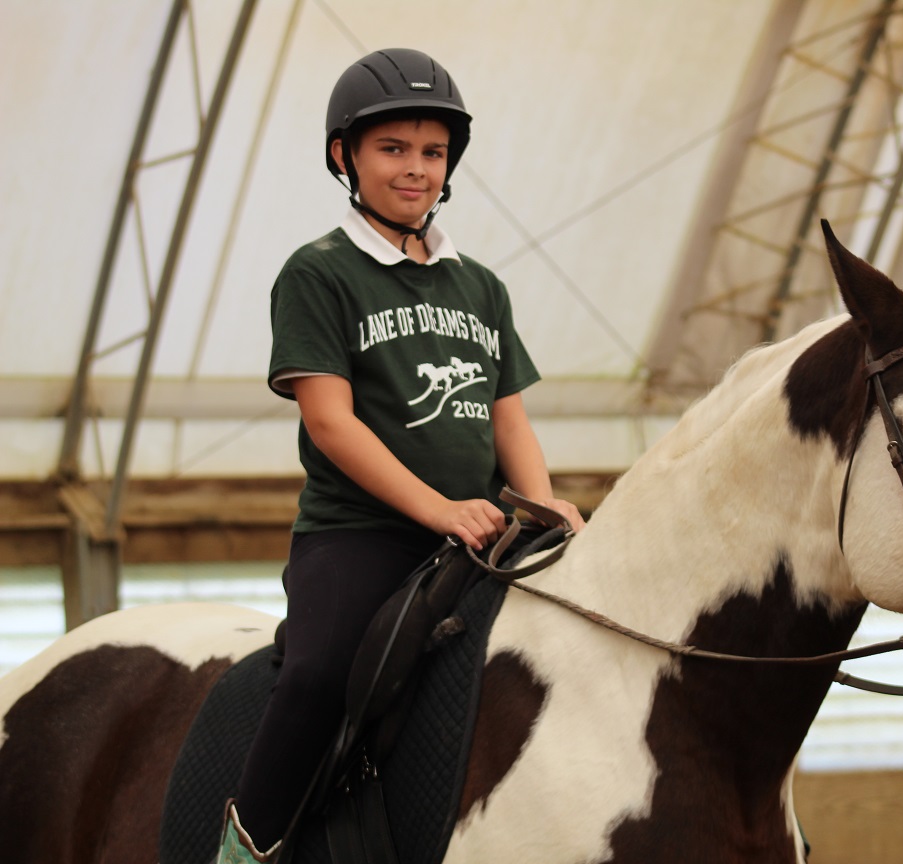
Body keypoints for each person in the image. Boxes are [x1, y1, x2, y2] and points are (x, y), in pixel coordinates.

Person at [217, 48, 585, 862]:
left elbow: (508, 419)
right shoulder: (319, 274)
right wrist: (439, 509)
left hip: (487, 531)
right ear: (345, 156)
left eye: (432, 152)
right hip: (362, 535)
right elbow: (332, 424)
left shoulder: (479, 285)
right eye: (393, 149)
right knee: (316, 675)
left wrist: (544, 502)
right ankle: (247, 850)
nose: (415, 169)